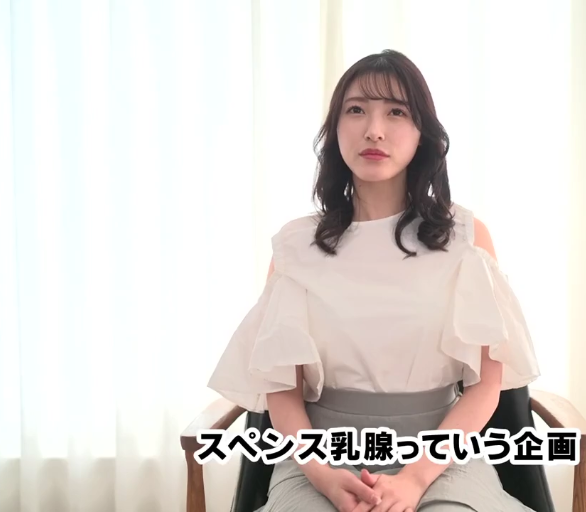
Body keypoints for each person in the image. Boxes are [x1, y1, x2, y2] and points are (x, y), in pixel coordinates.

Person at [208, 49, 540, 512]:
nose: (374, 130)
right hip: (320, 459)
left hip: (442, 459)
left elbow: (486, 387)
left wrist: (414, 478)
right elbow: (283, 395)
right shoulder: (296, 248)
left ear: (423, 133)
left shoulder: (465, 238)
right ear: (335, 129)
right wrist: (325, 477)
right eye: (356, 110)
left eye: (396, 112)